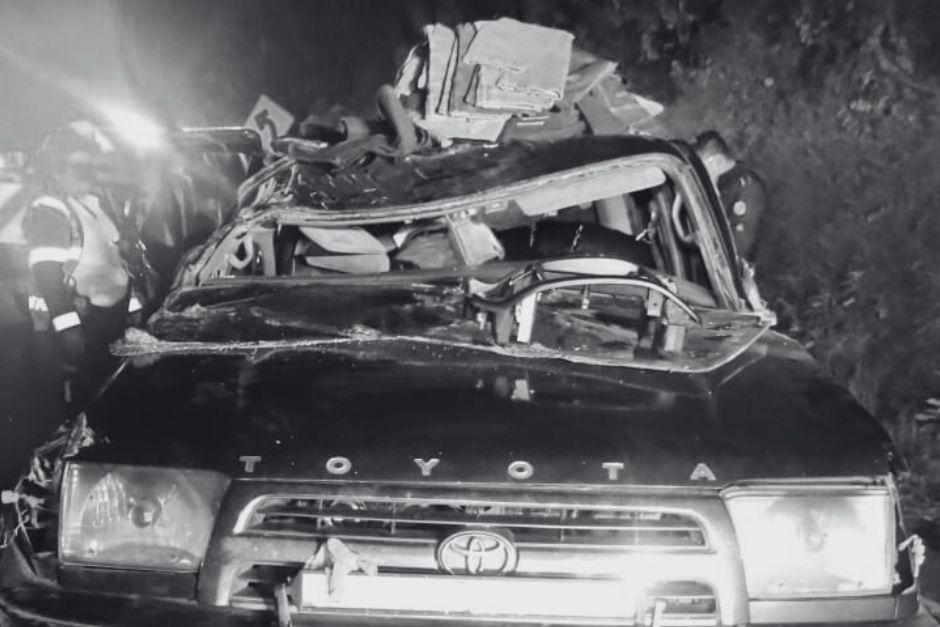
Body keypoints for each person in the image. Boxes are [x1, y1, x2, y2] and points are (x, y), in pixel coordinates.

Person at [22, 121, 142, 409]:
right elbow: (47, 276)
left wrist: (133, 308)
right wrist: (69, 327)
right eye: (77, 165)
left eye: (88, 164)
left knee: (110, 390)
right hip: (82, 321)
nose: (87, 172)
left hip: (109, 318)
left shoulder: (94, 204)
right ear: (57, 169)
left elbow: (115, 265)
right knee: (86, 399)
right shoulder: (49, 210)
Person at [694, 131, 766, 259]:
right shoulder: (722, 184)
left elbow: (740, 246)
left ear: (717, 161)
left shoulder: (747, 188)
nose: (699, 175)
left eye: (701, 168)